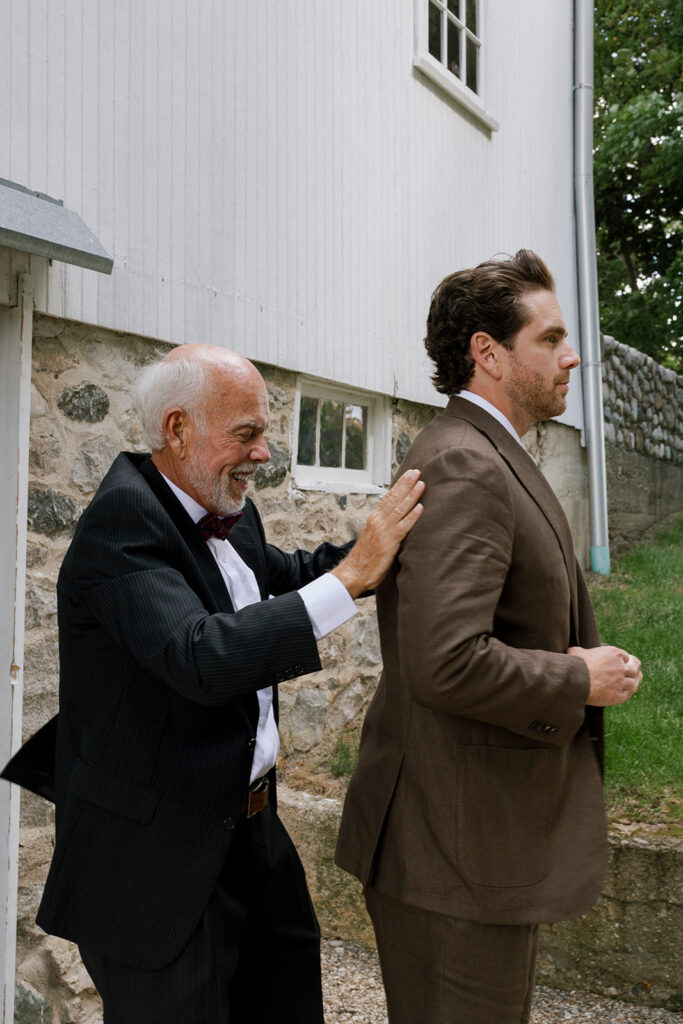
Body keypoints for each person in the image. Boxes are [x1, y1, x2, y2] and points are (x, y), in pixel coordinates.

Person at [2, 344, 424, 1024]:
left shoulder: (228, 504)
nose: (264, 454)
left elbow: (284, 577)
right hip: (155, 863)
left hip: (254, 833)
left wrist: (376, 548)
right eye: (247, 433)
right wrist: (350, 581)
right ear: (177, 430)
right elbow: (200, 657)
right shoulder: (120, 523)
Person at [335, 250, 642, 1024]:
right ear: (487, 352)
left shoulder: (491, 449)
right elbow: (446, 661)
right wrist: (578, 679)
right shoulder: (468, 462)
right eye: (550, 338)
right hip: (451, 849)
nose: (570, 355)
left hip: (472, 841)